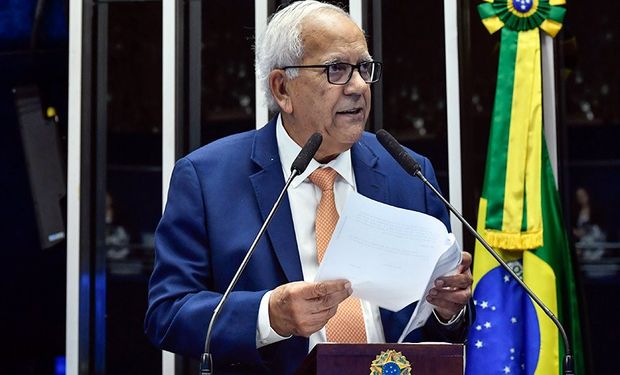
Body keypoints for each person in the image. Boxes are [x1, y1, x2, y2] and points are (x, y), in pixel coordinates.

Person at [145, 1, 473, 373]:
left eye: (364, 68)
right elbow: (168, 314)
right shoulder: (208, 179)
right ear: (283, 88)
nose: (358, 87)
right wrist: (270, 314)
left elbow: (434, 327)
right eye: (336, 69)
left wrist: (449, 309)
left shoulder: (408, 173)